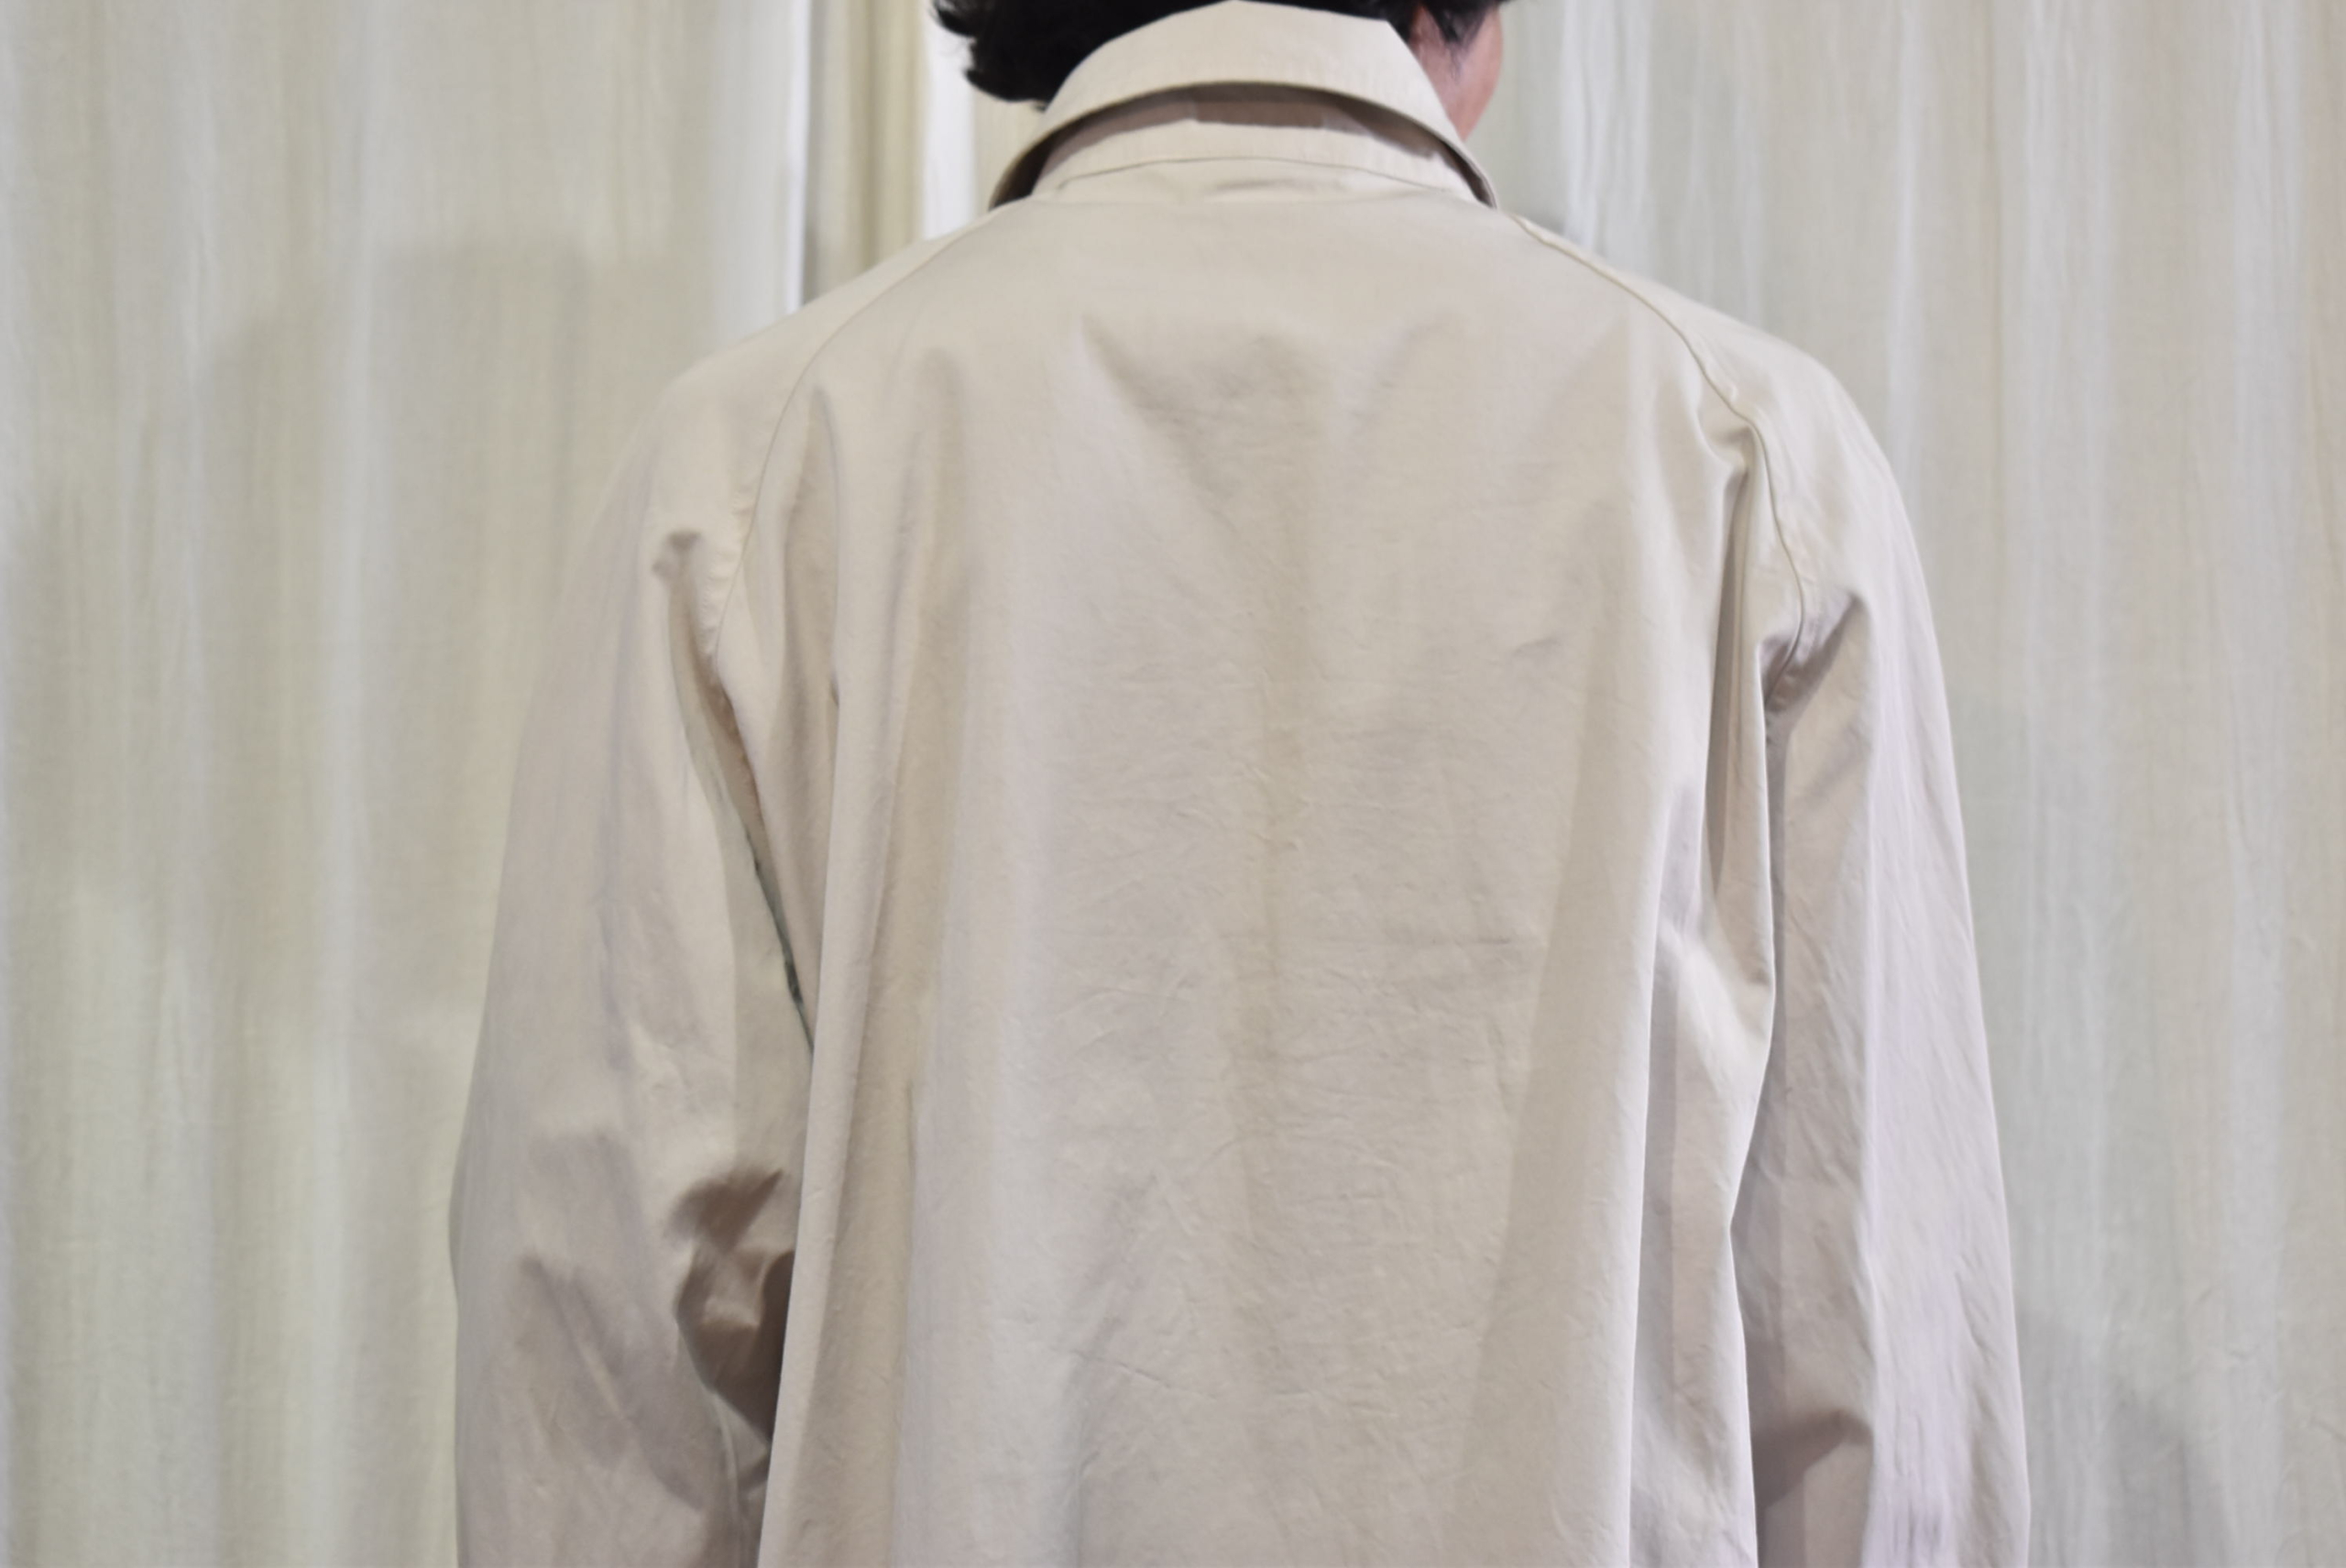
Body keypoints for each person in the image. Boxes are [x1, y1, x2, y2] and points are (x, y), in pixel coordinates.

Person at [447, 1, 2032, 1562]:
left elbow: (605, 1392)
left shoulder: (753, 468)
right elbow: (1873, 1361)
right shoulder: (1752, 463)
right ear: (1474, 25)